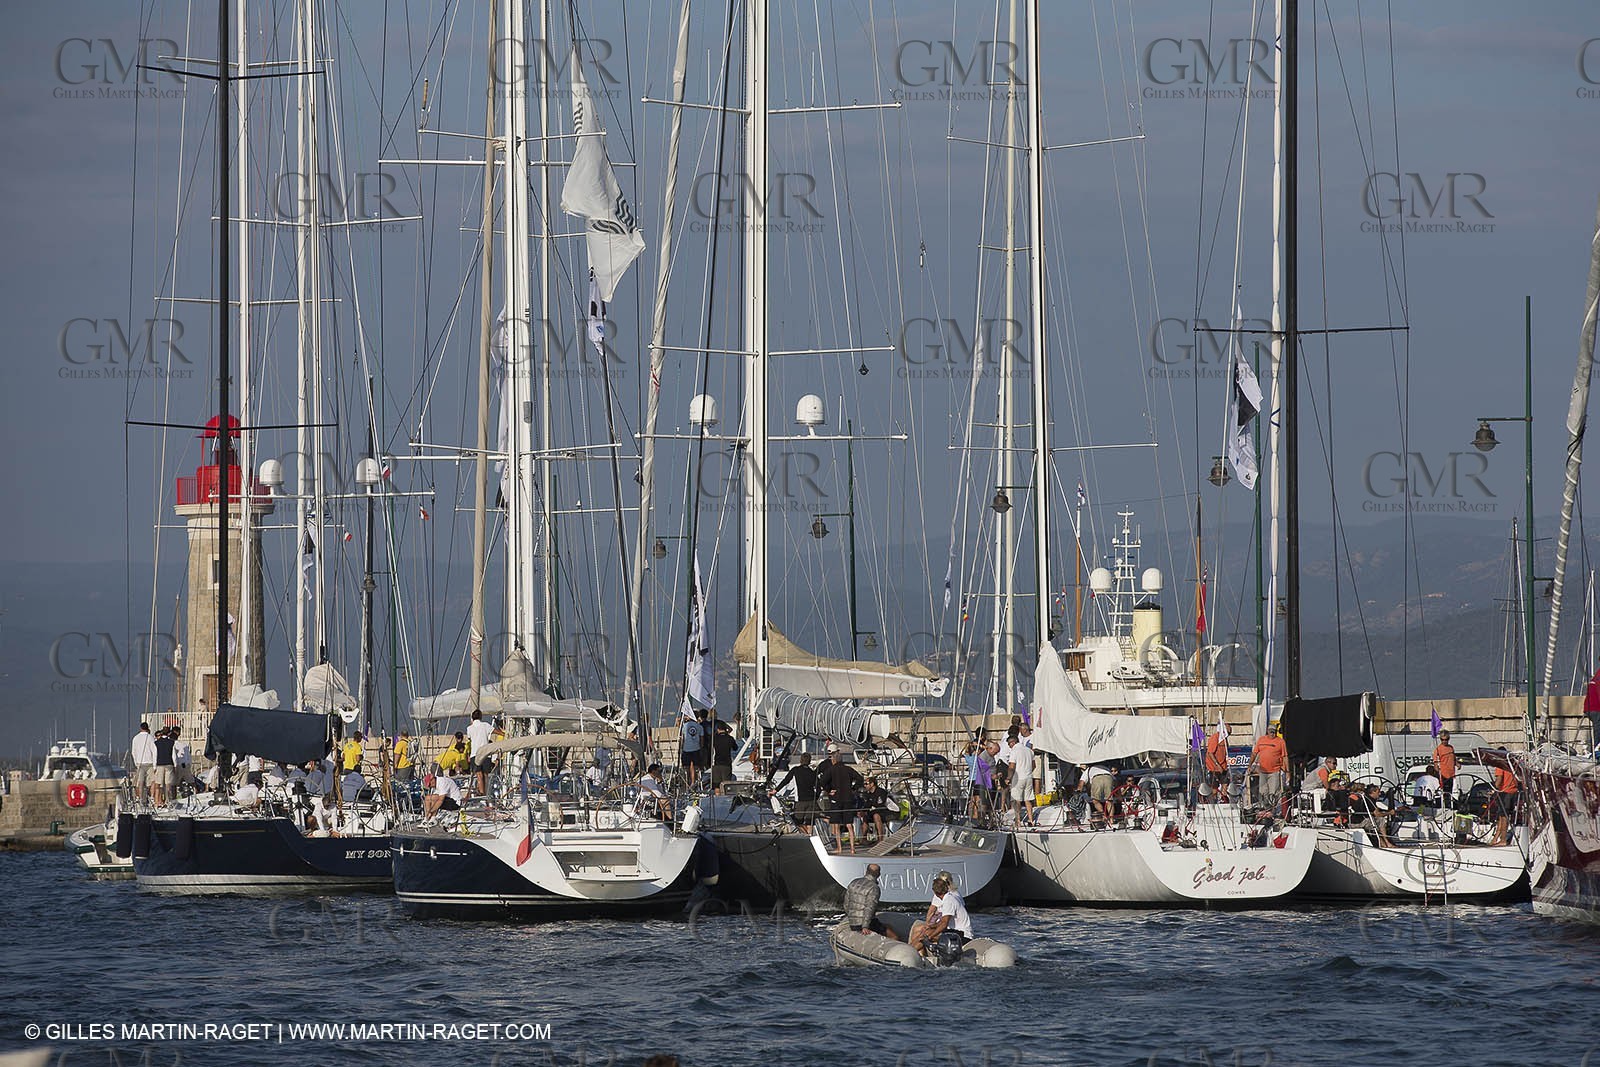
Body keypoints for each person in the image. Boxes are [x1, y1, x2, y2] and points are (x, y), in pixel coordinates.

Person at [908, 874, 974, 961]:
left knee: (925, 936)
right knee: (922, 933)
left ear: (934, 892)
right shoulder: (949, 898)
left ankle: (907, 953)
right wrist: (931, 926)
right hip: (953, 932)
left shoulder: (949, 901)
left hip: (962, 936)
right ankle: (919, 957)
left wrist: (930, 936)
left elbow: (944, 924)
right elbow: (943, 922)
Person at [815, 744, 864, 854]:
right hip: (848, 798)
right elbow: (860, 779)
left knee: (836, 824)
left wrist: (828, 790)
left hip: (836, 799)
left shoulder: (831, 770)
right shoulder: (848, 769)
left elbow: (821, 781)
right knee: (849, 824)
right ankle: (852, 849)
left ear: (834, 760)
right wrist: (853, 789)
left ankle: (840, 848)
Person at [844, 863, 897, 939]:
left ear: (866, 871)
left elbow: (846, 904)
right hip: (864, 924)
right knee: (894, 936)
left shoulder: (853, 883)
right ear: (878, 874)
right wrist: (865, 926)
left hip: (853, 923)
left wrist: (852, 918)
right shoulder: (874, 888)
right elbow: (869, 908)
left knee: (888, 926)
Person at [771, 752, 821, 833]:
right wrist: (816, 797)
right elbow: (819, 787)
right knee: (810, 822)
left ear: (801, 760)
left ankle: (807, 836)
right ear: (809, 761)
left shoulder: (795, 770)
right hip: (812, 800)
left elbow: (786, 781)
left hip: (800, 801)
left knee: (797, 822)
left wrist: (775, 790)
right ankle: (810, 836)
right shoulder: (812, 773)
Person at [1247, 723, 1288, 810]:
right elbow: (1254, 753)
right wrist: (1250, 765)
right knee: (1263, 792)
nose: (1272, 734)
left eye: (1274, 732)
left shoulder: (1280, 741)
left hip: (1275, 771)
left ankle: (1274, 811)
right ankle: (1266, 809)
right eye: (1270, 732)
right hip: (1263, 771)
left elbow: (1285, 756)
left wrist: (1287, 771)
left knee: (1273, 793)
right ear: (1267, 732)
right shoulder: (1261, 740)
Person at [1009, 722, 1037, 826]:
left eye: (1009, 744)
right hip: (1029, 777)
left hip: (1018, 778)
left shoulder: (1014, 751)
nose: (1009, 746)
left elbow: (1011, 767)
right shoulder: (1029, 751)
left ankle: (1018, 821)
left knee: (1017, 800)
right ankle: (1031, 820)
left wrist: (1008, 778)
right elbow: (1034, 765)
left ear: (1012, 743)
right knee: (1028, 800)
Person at [466, 711, 495, 797]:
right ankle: (485, 793)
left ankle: (482, 794)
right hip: (485, 753)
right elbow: (495, 731)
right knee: (485, 774)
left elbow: (469, 738)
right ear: (481, 716)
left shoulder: (469, 728)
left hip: (475, 754)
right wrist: (504, 734)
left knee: (479, 774)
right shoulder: (485, 725)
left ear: (472, 718)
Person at [856, 775, 892, 843]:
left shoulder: (881, 792)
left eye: (866, 784)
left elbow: (880, 805)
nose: (865, 786)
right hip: (877, 811)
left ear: (872, 784)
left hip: (890, 811)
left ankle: (880, 839)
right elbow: (867, 805)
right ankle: (863, 838)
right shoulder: (868, 794)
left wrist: (869, 811)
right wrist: (862, 812)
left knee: (876, 815)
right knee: (865, 816)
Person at [1489, 763, 1519, 846]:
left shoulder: (1500, 766)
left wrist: (1493, 790)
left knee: (1503, 816)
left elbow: (1499, 779)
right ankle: (1495, 839)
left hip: (1505, 792)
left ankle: (1503, 840)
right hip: (1513, 792)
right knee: (1502, 816)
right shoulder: (1511, 765)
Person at [130, 722, 157, 804]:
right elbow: (154, 752)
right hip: (150, 763)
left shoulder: (135, 738)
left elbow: (133, 752)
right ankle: (152, 797)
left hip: (140, 763)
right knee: (152, 781)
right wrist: (155, 765)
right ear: (147, 728)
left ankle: (140, 798)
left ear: (140, 728)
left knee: (140, 782)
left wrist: (136, 762)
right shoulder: (151, 738)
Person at [1203, 727, 1231, 802]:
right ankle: (1213, 801)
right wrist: (1217, 765)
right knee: (1214, 788)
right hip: (1213, 768)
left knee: (1225, 784)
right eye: (1228, 732)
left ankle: (1223, 799)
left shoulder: (1225, 739)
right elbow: (1210, 753)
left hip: (1223, 766)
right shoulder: (1215, 738)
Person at [152, 726, 176, 807]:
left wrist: (154, 767)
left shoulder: (156, 743)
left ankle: (157, 801)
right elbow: (174, 756)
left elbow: (155, 755)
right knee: (168, 784)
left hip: (159, 764)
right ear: (169, 733)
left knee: (159, 784)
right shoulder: (172, 742)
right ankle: (167, 801)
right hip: (169, 764)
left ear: (162, 733)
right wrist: (175, 765)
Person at [680, 711, 705, 780]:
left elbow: (682, 738)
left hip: (686, 749)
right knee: (695, 767)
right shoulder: (700, 726)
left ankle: (687, 782)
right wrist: (701, 748)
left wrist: (681, 747)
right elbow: (701, 739)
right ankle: (694, 782)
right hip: (696, 748)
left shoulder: (684, 726)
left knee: (686, 767)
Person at [1433, 731, 1458, 803]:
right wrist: (1437, 768)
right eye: (1442, 739)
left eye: (1446, 739)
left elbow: (1453, 758)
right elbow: (1435, 762)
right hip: (1443, 775)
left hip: (1451, 774)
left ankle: (1450, 805)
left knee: (1450, 791)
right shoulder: (1438, 749)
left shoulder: (1451, 748)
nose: (1444, 741)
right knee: (1445, 792)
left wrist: (1457, 763)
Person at [171, 727, 195, 795]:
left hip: (178, 765)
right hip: (185, 764)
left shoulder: (172, 745)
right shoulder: (184, 744)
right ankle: (196, 792)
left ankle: (174, 796)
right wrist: (189, 764)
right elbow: (188, 756)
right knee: (190, 780)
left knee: (175, 783)